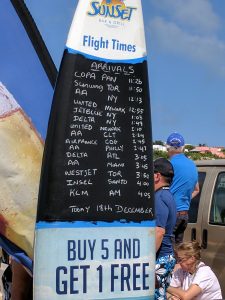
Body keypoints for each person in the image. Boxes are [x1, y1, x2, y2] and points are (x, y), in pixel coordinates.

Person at [166, 132, 199, 244]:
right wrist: (183, 201)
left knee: (165, 251)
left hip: (171, 214)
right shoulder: (192, 165)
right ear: (183, 147)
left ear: (167, 147)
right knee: (178, 251)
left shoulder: (168, 165)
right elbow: (196, 190)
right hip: (184, 215)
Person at [154, 158, 177, 299]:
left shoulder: (159, 197)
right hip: (167, 256)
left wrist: (147, 259)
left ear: (157, 176)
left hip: (160, 258)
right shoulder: (168, 195)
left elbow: (159, 231)